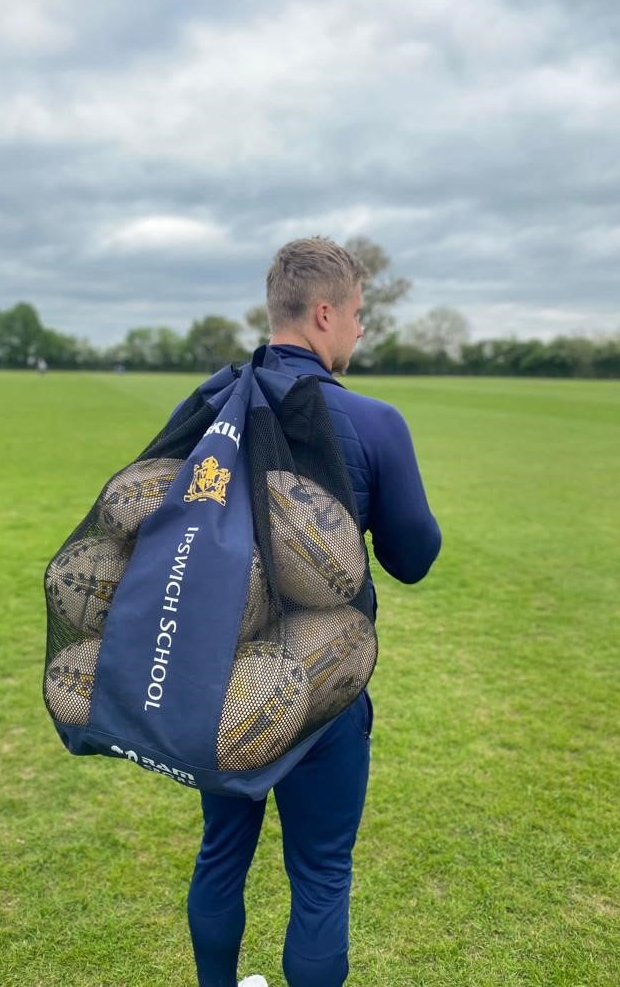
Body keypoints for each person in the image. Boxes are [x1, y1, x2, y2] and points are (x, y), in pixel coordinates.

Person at [186, 237, 442, 987]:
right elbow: (414, 556)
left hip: (218, 684)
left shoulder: (207, 400)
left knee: (222, 858)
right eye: (359, 316)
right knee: (323, 876)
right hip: (320, 687)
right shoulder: (373, 421)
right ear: (324, 313)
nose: (361, 331)